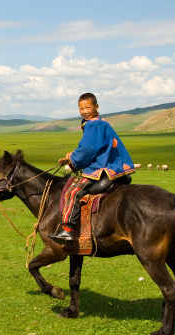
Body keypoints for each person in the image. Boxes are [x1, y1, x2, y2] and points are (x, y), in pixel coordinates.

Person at [49, 93, 135, 244]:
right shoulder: (101, 122)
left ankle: (67, 229)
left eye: (88, 107)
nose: (84, 111)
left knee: (74, 191)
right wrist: (71, 156)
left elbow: (88, 149)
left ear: (96, 107)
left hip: (101, 167)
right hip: (112, 165)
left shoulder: (93, 124)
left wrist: (73, 161)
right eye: (81, 108)